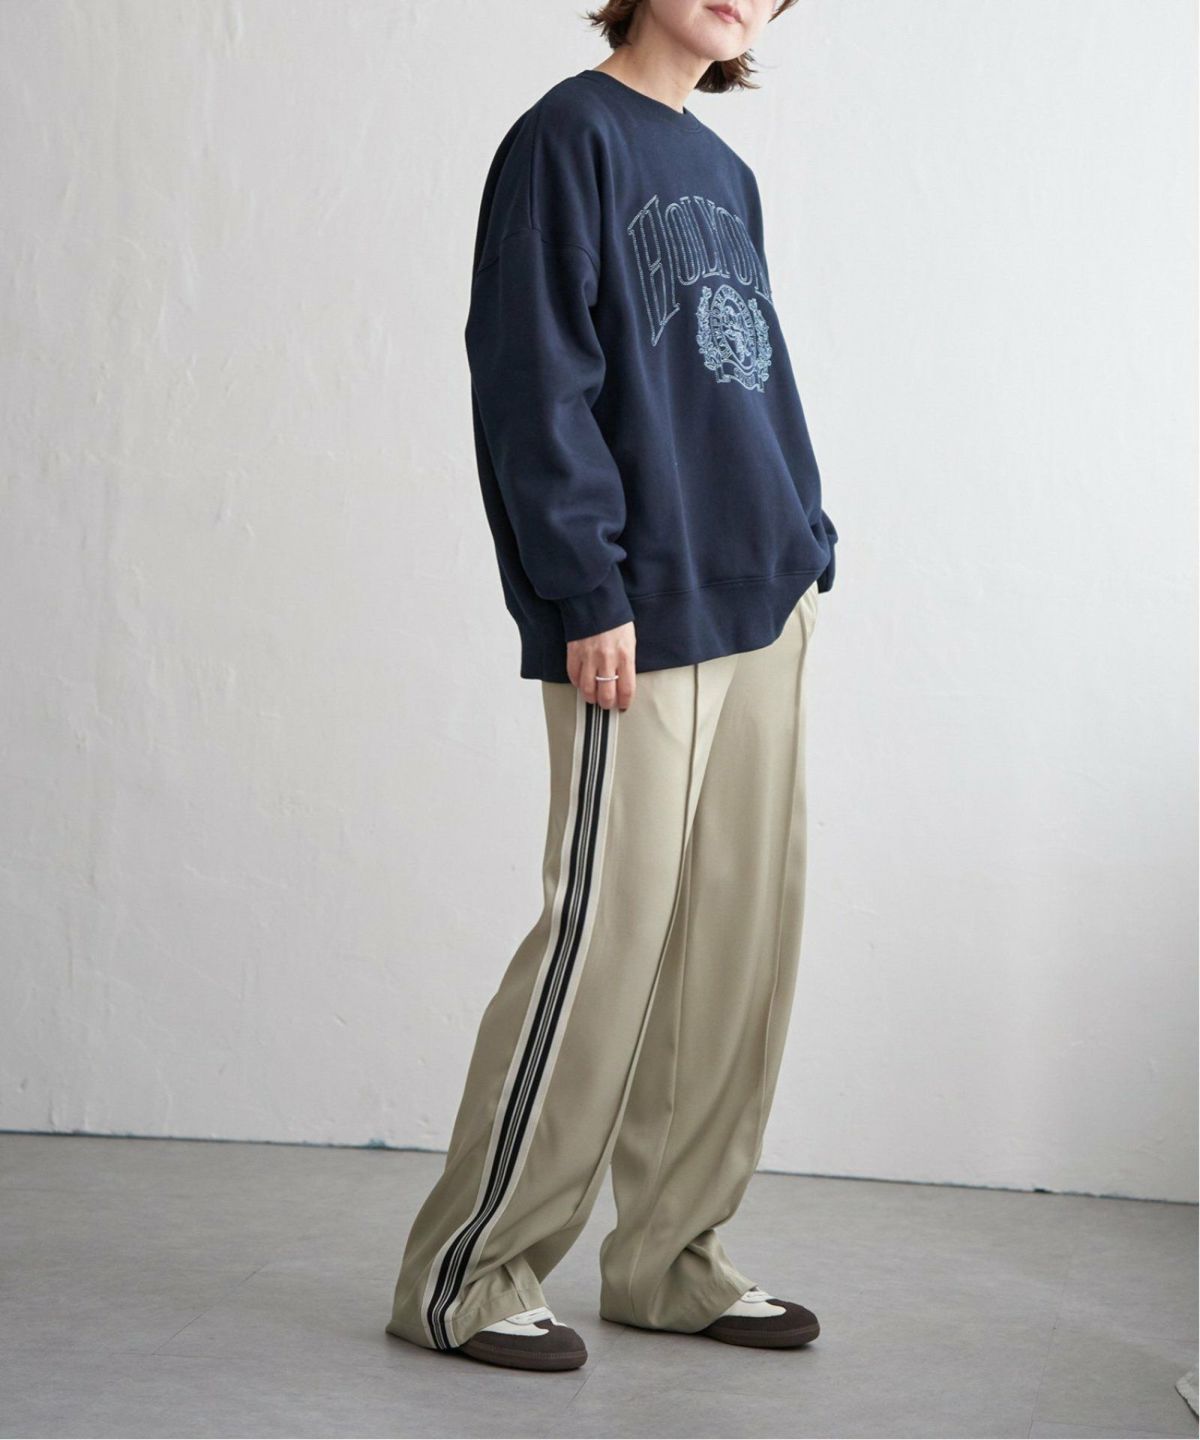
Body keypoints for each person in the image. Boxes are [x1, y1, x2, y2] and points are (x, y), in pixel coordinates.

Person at [386, 0, 838, 1372]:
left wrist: (809, 529)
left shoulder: (725, 170)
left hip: (763, 590)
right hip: (640, 609)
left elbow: (746, 378)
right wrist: (583, 587)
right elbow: (531, 378)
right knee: (604, 939)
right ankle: (467, 1274)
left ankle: (670, 1261)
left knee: (735, 953)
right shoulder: (565, 138)